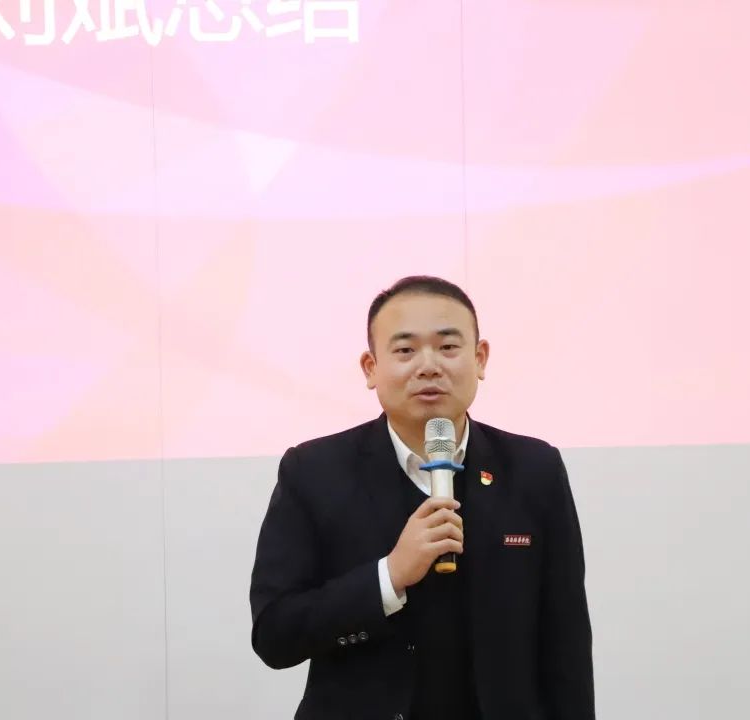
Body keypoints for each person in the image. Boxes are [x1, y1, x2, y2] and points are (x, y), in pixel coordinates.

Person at [249, 275, 594, 720]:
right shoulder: (313, 471)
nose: (428, 366)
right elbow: (275, 634)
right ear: (370, 368)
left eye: (448, 347)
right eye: (405, 350)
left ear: (480, 358)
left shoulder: (533, 469)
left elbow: (566, 640)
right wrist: (389, 577)